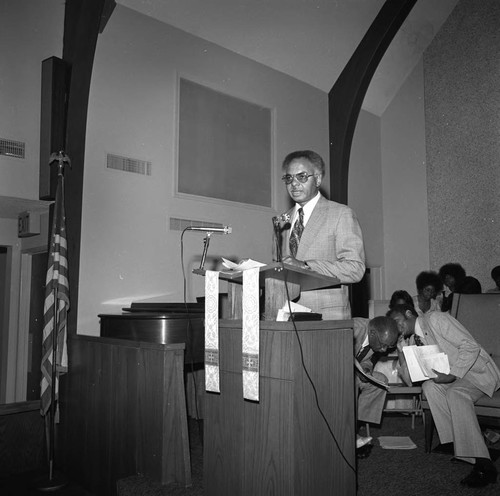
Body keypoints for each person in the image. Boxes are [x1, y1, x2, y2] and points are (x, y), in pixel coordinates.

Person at [388, 304, 500, 488]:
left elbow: (470, 346)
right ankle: (464, 448)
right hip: (456, 378)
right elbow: (409, 381)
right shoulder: (412, 341)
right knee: (429, 387)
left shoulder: (436, 319)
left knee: (456, 394)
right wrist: (401, 351)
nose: (394, 326)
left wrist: (452, 375)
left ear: (408, 313)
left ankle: (484, 465)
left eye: (396, 321)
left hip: (477, 373)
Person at [280, 150, 365, 319]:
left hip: (327, 315)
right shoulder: (282, 220)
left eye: (302, 176)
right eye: (289, 178)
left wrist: (305, 265)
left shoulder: (340, 213)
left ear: (318, 179)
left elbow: (355, 269)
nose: (294, 183)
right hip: (287, 313)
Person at [353, 316, 399, 457]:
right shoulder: (354, 328)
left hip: (353, 370)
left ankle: (355, 425)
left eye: (388, 346)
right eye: (383, 344)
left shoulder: (377, 338)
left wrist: (366, 370)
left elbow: (367, 359)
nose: (384, 350)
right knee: (352, 383)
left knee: (380, 381)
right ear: (372, 333)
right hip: (333, 369)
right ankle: (350, 433)